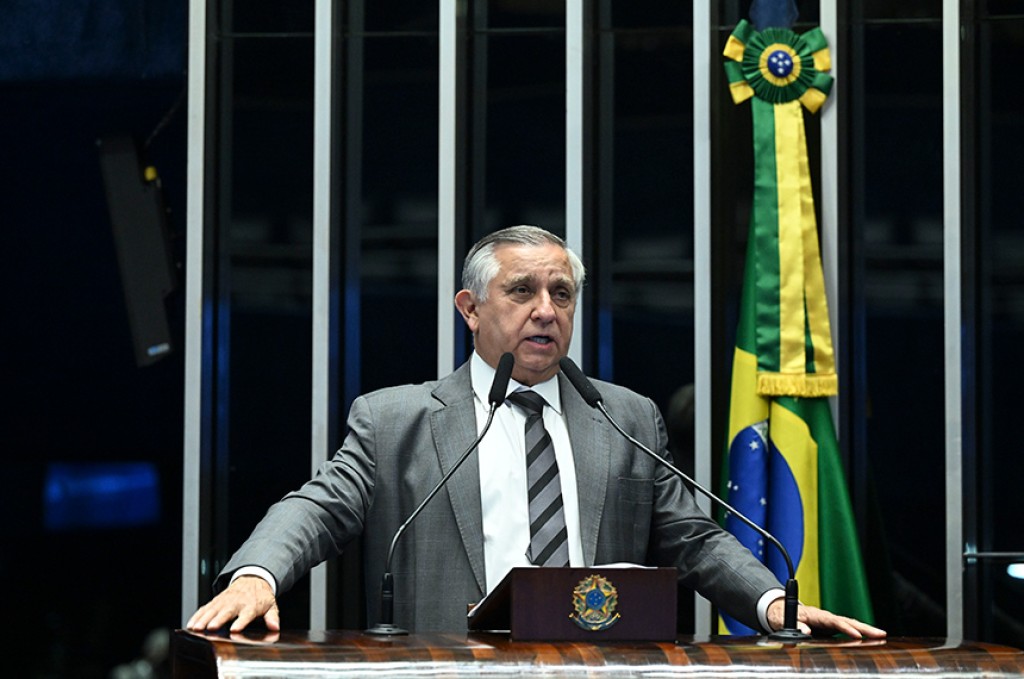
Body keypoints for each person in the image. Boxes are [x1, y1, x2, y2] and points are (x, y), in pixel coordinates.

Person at [187, 225, 885, 639]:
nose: (545, 310)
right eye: (522, 291)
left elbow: (694, 538)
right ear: (470, 308)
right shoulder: (395, 419)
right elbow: (317, 508)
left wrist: (771, 600)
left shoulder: (625, 417)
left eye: (562, 293)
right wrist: (256, 575)